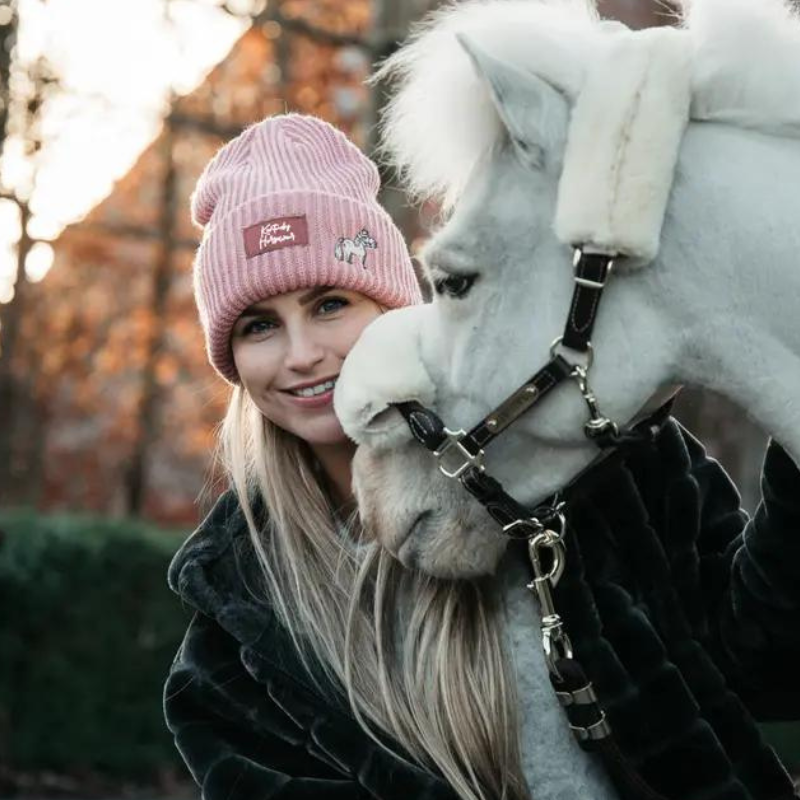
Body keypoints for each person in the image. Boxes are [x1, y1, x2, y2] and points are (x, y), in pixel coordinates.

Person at [164, 113, 800, 800]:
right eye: (260, 326)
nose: (301, 355)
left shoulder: (597, 459)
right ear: (231, 357)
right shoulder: (236, 630)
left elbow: (766, 663)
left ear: (393, 305)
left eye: (328, 304)